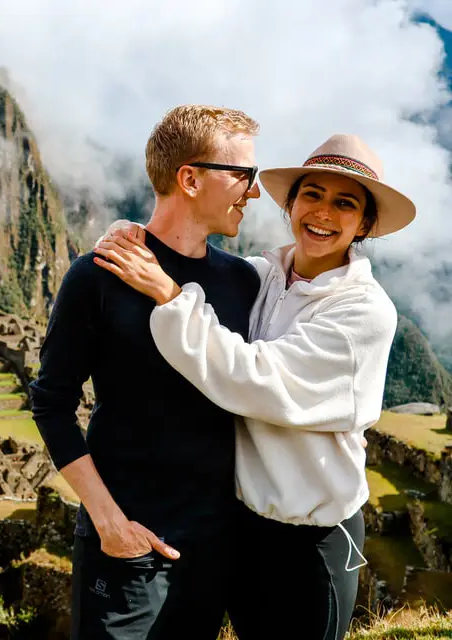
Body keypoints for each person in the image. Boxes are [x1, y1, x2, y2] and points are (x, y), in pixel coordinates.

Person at [93, 133, 414, 640]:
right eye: (312, 195)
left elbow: (255, 378)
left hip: (313, 539)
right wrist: (129, 236)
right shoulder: (265, 276)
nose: (323, 213)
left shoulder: (364, 311)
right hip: (245, 525)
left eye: (345, 203)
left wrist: (168, 295)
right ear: (291, 203)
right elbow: (188, 253)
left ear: (365, 224)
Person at [29, 104, 262, 639]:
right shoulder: (98, 276)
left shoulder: (244, 283)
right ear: (190, 178)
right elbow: (51, 402)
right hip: (127, 544)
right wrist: (109, 522)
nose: (253, 192)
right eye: (243, 175)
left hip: (215, 544)